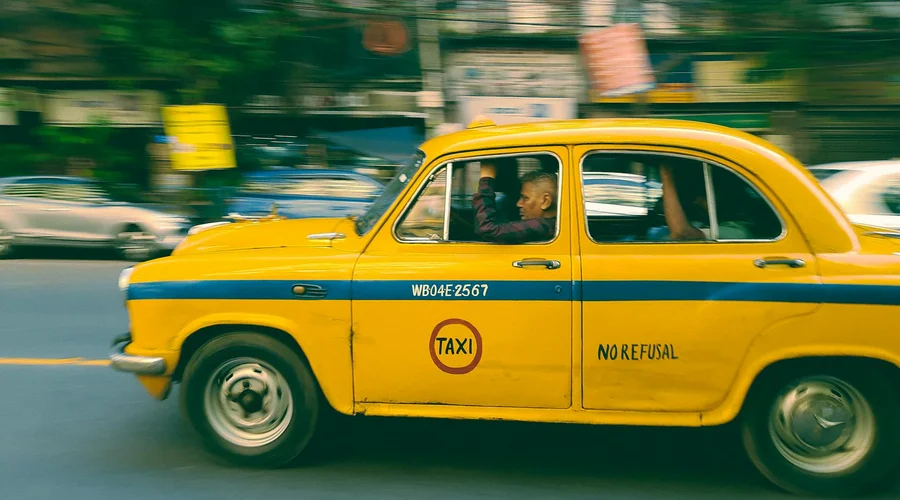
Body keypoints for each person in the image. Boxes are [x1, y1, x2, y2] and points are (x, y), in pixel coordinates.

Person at [658, 162, 752, 240]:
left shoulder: (737, 232)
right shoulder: (703, 223)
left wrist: (666, 174)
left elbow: (682, 234)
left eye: (703, 193)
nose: (697, 201)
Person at [472, 161, 557, 243]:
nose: (518, 204)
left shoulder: (544, 226)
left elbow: (487, 229)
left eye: (525, 198)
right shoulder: (551, 224)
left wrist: (486, 177)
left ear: (545, 201)